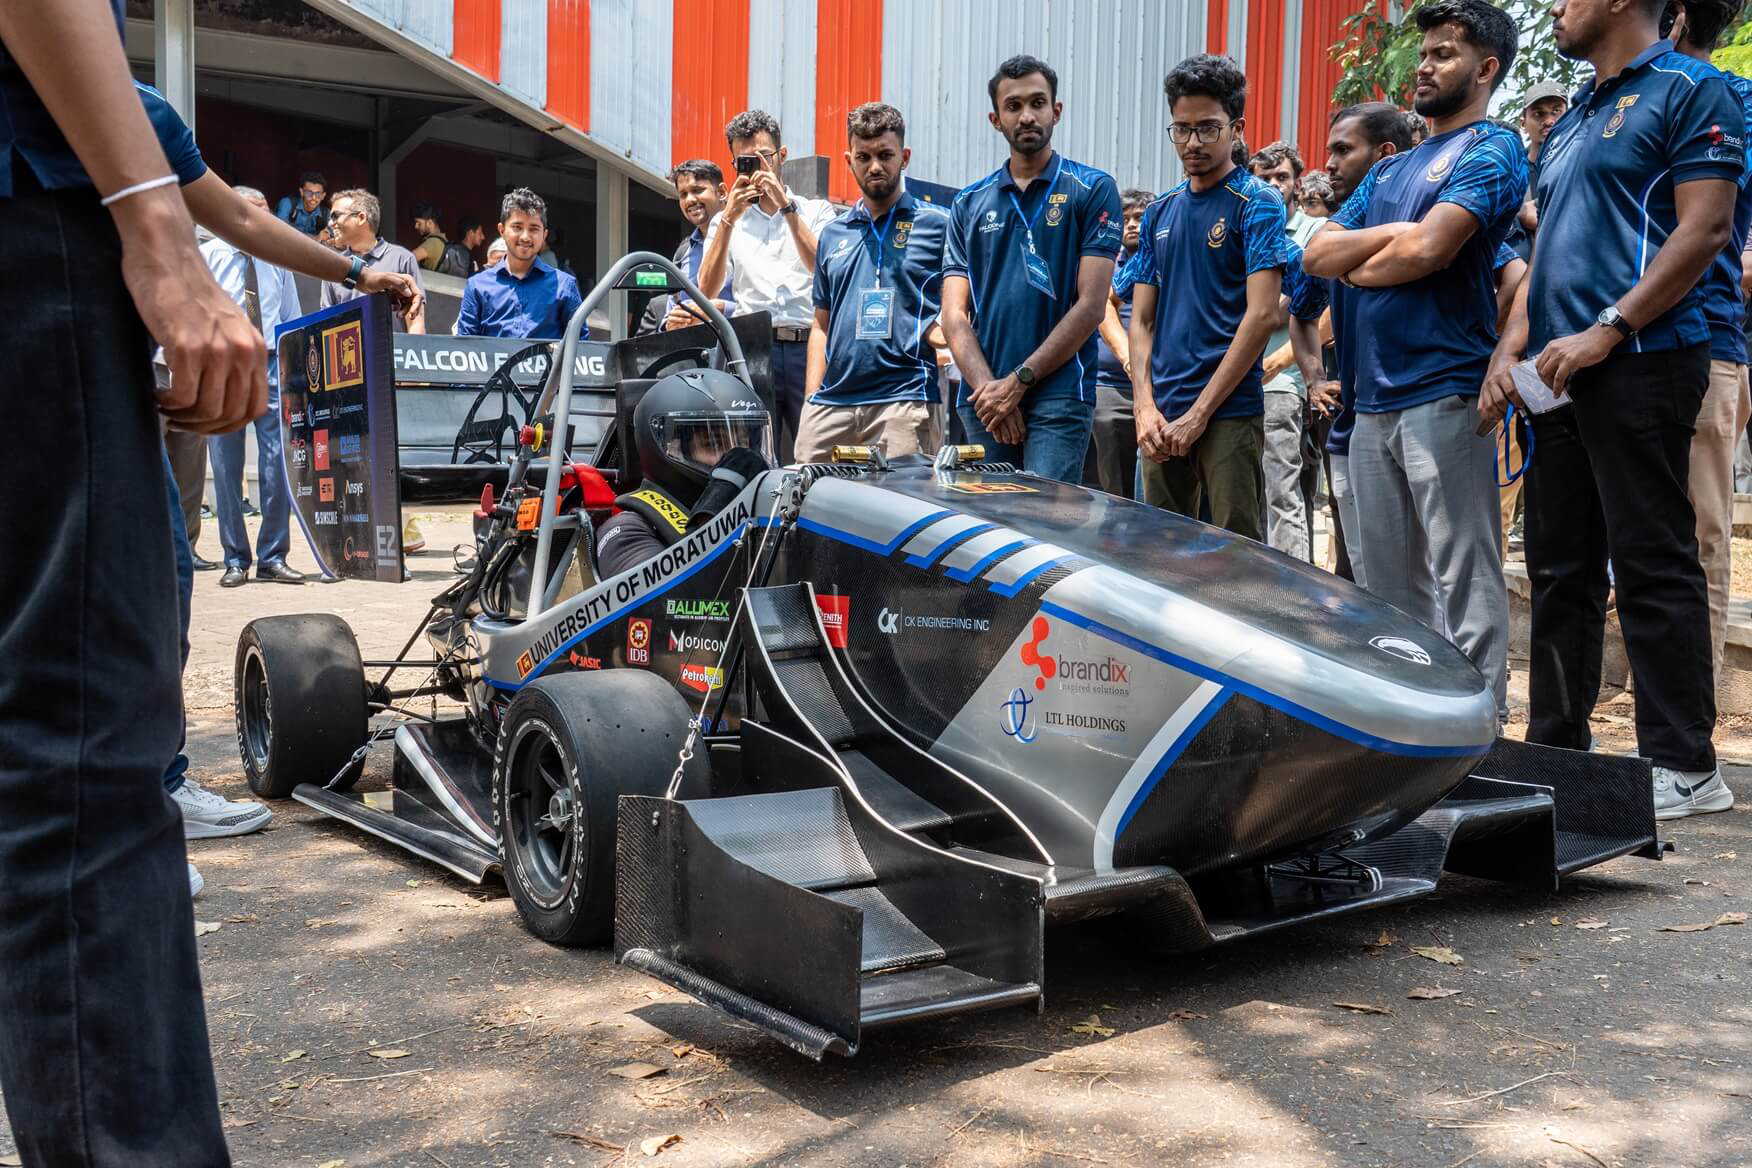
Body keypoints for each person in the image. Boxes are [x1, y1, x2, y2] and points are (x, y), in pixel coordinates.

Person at [0, 2, 264, 1161]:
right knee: (83, 748)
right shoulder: (122, 106)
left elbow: (240, 212)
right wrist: (155, 229)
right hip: (27, 212)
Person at [1481, 0, 1745, 818]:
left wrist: (1609, 329)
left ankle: (1684, 765)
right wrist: (1512, 350)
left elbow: (1706, 228)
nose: (1557, 7)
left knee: (1650, 557)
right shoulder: (1569, 120)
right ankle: (1558, 750)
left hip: (1643, 358)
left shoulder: (1690, 89)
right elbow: (1546, 252)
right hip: (1556, 375)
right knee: (1559, 566)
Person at [1304, 0, 1526, 720]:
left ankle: (1482, 725)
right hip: (1371, 403)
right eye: (1424, 53)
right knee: (1388, 593)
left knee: (1465, 579)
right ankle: (1412, 720)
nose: (1424, 66)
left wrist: (1376, 255)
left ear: (1485, 69)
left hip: (1444, 389)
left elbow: (1433, 249)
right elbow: (1316, 253)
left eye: (1443, 54)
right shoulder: (1390, 169)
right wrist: (1397, 241)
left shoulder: (1494, 147)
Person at [1125, 54, 1288, 539]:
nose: (1193, 143)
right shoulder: (1160, 212)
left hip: (1228, 413)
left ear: (1236, 129)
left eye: (1208, 128)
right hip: (1161, 413)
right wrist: (1144, 407)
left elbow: (1262, 315)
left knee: (1237, 555)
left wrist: (1199, 415)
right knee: (1157, 552)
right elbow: (1141, 320)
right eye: (1182, 129)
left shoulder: (1257, 202)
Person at [940, 55, 1123, 483]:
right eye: (1013, 105)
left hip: (1060, 396)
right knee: (985, 521)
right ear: (995, 119)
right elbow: (953, 314)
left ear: (1056, 111)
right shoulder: (968, 202)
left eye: (1037, 103)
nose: (1026, 115)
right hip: (984, 400)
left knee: (1044, 520)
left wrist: (1019, 382)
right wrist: (990, 390)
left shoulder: (1092, 188)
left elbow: (1091, 305)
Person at [1670, 0, 1752, 691]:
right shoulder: (1608, 101)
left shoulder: (1732, 99)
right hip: (1617, 349)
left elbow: (1711, 224)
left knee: (1702, 526)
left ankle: (1692, 700)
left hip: (1706, 337)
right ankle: (1651, 684)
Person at [799, 103, 951, 463]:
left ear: (905, 157)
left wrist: (936, 329)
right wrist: (810, 400)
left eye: (885, 155)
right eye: (864, 157)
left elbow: (966, 303)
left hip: (904, 400)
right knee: (808, 495)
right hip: (831, 405)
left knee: (902, 498)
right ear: (849, 160)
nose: (875, 166)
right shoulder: (833, 234)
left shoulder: (938, 225)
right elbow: (821, 323)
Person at [1312, 102, 1415, 585]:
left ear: (1384, 155)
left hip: (1420, 405)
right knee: (1368, 576)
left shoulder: (1428, 210)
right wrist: (1314, 378)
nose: (1329, 163)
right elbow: (1302, 303)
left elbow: (1510, 277)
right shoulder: (1338, 230)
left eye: (1343, 151)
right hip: (1353, 424)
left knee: (1436, 572)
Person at [695, 110, 836, 461]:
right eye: (744, 162)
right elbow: (707, 290)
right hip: (754, 348)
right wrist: (728, 219)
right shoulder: (727, 220)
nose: (755, 170)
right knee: (755, 452)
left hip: (809, 345)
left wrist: (787, 208)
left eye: (762, 158)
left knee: (816, 449)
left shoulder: (816, 211)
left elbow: (824, 269)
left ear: (781, 156)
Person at [202, 187, 307, 589]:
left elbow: (291, 318)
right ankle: (234, 558)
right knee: (225, 466)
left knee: (277, 463)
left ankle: (273, 557)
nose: (262, 222)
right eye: (253, 213)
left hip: (272, 365)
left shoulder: (278, 258)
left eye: (266, 214)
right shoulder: (208, 256)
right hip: (224, 364)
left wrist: (295, 375)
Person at [319, 187, 429, 553]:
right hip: (347, 380)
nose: (331, 222)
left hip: (390, 374)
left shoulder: (400, 258)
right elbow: (326, 323)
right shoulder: (333, 265)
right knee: (350, 457)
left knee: (393, 453)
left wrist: (414, 369)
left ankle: (403, 530)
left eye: (337, 215)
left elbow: (415, 317)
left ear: (361, 217)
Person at [595, 369, 773, 577]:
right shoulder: (625, 530)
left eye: (742, 442)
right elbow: (668, 594)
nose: (737, 457)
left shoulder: (764, 514)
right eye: (713, 444)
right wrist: (722, 493)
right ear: (672, 449)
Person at [1252, 139, 1326, 559]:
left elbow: (1282, 309)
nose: (1273, 185)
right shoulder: (1248, 226)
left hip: (1281, 382)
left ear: (1297, 184)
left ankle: (1289, 585)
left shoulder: (1314, 232)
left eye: (1282, 177)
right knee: (1249, 495)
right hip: (1236, 383)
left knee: (1282, 491)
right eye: (1264, 178)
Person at [455, 188, 584, 339]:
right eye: (517, 227)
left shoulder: (564, 286)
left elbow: (581, 347)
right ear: (502, 230)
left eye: (534, 229)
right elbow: (465, 346)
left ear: (544, 235)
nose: (525, 237)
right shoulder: (477, 286)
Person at [1093, 188, 1153, 498]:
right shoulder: (1105, 264)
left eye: (1139, 218)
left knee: (1150, 481)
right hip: (1109, 386)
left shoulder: (1161, 258)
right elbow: (1101, 308)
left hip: (1156, 386)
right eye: (1125, 219)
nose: (1131, 224)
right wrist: (1130, 360)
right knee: (1114, 486)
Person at [637, 160, 737, 336]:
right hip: (694, 350)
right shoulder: (685, 252)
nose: (690, 200)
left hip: (740, 347)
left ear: (722, 192)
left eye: (697, 190)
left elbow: (766, 307)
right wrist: (670, 323)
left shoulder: (746, 238)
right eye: (683, 194)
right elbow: (672, 310)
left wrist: (722, 308)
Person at [1504, 80, 1569, 260]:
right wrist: (1520, 213)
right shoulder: (1510, 173)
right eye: (1539, 114)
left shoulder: (1582, 167)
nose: (1549, 121)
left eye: (1556, 111)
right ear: (1523, 123)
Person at [275, 169, 326, 235]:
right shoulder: (287, 204)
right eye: (309, 193)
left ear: (323, 196)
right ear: (301, 192)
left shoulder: (326, 215)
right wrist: (315, 238)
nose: (313, 197)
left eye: (318, 194)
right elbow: (278, 230)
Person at [411, 200, 449, 271]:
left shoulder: (433, 242)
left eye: (419, 223)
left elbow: (408, 259)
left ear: (430, 222)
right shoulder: (443, 240)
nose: (416, 226)